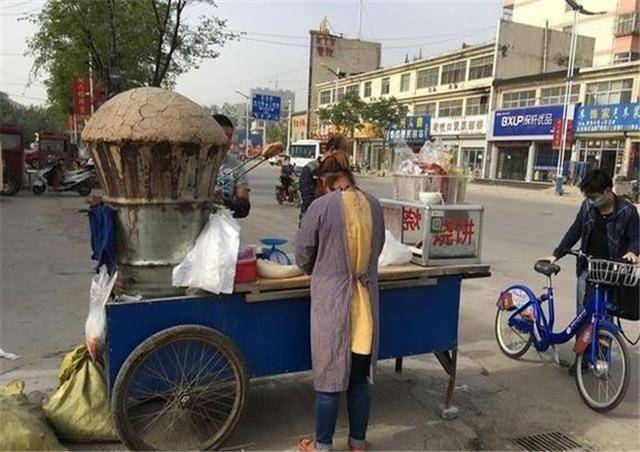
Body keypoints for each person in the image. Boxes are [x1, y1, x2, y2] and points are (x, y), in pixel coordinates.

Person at [294, 152, 385, 452]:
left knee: (329, 378)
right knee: (360, 378)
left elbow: (303, 254)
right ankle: (357, 443)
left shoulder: (321, 206)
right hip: (366, 303)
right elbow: (379, 247)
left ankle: (322, 447)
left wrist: (319, 268)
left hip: (333, 304)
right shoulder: (373, 204)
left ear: (324, 181)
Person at [543, 169, 639, 315]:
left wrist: (632, 251)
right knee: (583, 314)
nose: (591, 201)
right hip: (588, 268)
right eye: (588, 197)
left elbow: (637, 237)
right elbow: (575, 231)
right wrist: (556, 255)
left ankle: (604, 338)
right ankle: (582, 337)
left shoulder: (627, 211)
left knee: (606, 315)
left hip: (613, 270)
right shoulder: (587, 207)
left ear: (607, 191)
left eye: (594, 197)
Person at [299, 135, 349, 219]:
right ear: (333, 150)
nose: (346, 156)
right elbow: (308, 201)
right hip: (313, 219)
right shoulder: (310, 169)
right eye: (344, 152)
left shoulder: (342, 171)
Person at [212, 114, 251, 218]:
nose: (228, 141)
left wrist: (225, 202)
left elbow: (244, 208)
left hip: (222, 229)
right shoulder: (192, 162)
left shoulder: (236, 166)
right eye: (224, 135)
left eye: (230, 136)